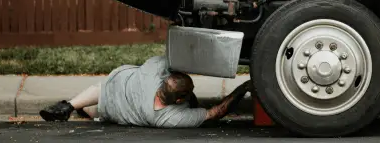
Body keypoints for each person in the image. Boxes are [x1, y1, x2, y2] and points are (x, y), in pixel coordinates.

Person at [38, 55, 253, 128]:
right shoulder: (167, 118)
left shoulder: (154, 71)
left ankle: (69, 106)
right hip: (112, 110)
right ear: (179, 100)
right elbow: (215, 112)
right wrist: (243, 88)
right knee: (101, 111)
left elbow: (174, 57)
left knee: (100, 91)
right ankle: (84, 111)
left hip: (115, 85)